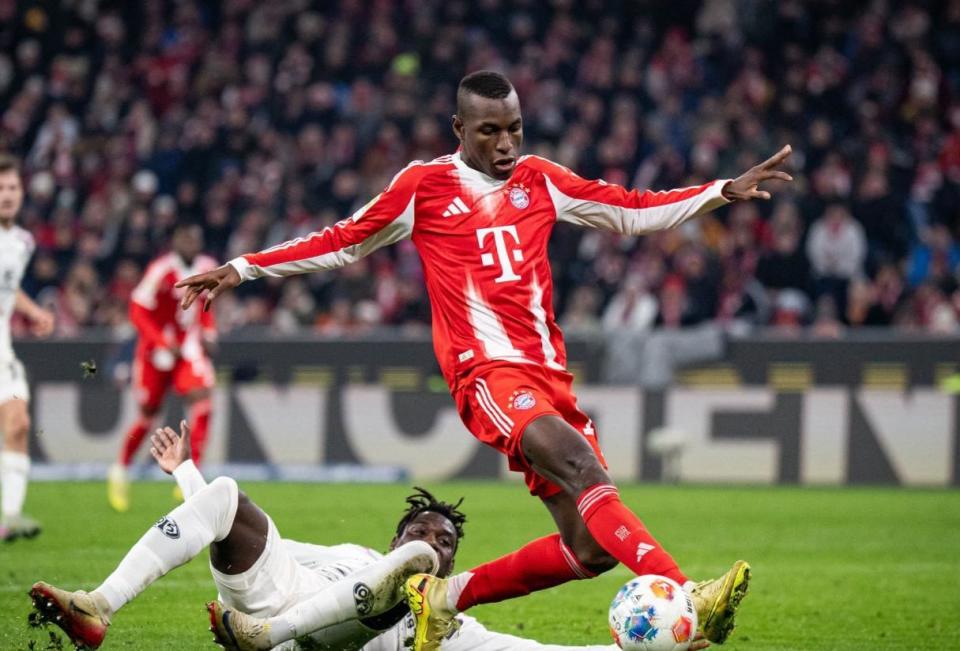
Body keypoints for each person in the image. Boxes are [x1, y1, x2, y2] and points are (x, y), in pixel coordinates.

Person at [177, 71, 793, 650]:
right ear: (459, 129)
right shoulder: (423, 186)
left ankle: (444, 598)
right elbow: (343, 241)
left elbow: (630, 209)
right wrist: (243, 267)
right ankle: (688, 593)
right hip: (487, 375)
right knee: (582, 468)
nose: (506, 144)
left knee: (590, 547)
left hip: (549, 377)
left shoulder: (541, 179)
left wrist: (720, 191)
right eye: (490, 131)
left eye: (514, 129)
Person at [30, 422, 633, 651]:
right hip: (268, 602)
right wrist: (186, 472)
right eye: (419, 532)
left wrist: (638, 647)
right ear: (390, 540)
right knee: (227, 491)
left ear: (453, 564)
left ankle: (268, 637)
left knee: (416, 572)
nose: (431, 542)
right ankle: (99, 605)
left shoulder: (447, 623)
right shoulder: (347, 554)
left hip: (314, 641)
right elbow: (213, 521)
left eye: (445, 542)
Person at [108, 222, 219, 512]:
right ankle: (121, 469)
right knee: (148, 416)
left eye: (194, 240)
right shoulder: (161, 270)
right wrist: (160, 341)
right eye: (185, 239)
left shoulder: (207, 267)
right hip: (154, 353)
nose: (190, 245)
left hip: (187, 348)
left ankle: (192, 475)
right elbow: (137, 310)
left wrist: (209, 332)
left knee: (203, 400)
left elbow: (205, 305)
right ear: (175, 242)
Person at [0, 153, 55, 542]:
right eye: (0, 188)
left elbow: (8, 288)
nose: (6, 194)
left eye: (12, 187)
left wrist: (34, 311)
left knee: (18, 422)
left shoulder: (22, 242)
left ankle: (10, 517)